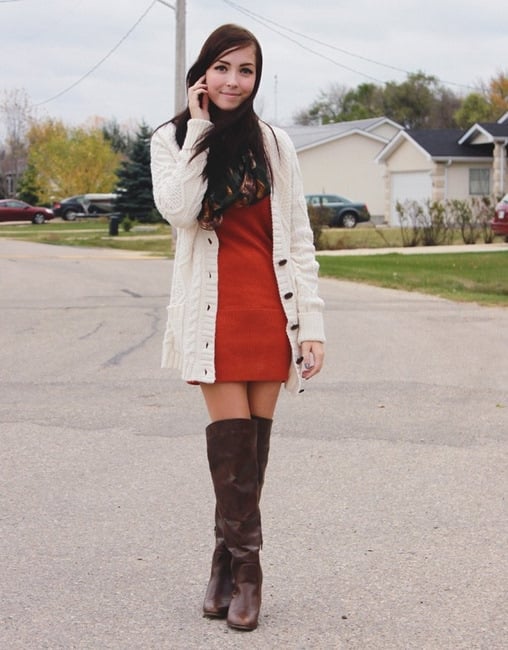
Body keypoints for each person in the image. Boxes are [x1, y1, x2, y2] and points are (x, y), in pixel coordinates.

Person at [151, 23, 325, 632]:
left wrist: (312, 326)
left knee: (249, 458)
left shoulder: (275, 143)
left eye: (245, 70)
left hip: (269, 312)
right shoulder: (171, 138)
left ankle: (226, 567)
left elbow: (300, 238)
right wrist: (199, 129)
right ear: (203, 73)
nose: (234, 80)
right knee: (230, 448)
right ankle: (250, 574)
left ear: (255, 78)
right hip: (212, 315)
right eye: (223, 68)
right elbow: (177, 210)